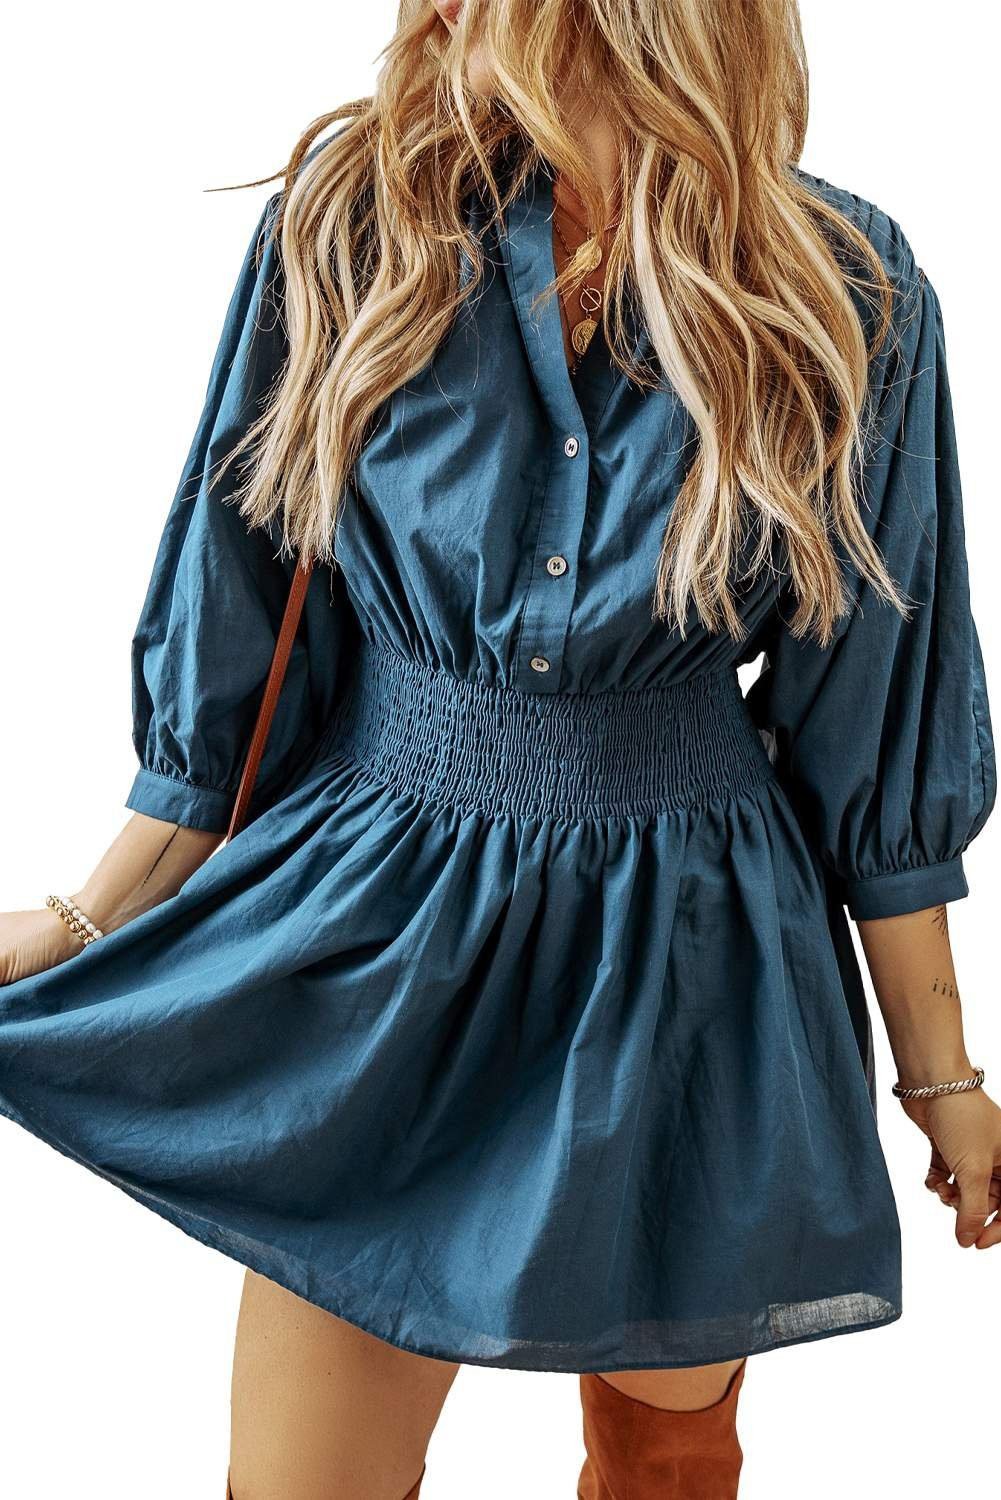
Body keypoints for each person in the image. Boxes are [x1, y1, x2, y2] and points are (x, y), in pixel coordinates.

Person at [2, 2, 999, 1497]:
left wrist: (943, 1077)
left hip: (684, 959)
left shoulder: (843, 281)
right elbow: (238, 614)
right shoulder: (359, 225)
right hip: (381, 930)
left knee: (665, 1467)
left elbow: (872, 713)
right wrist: (91, 916)